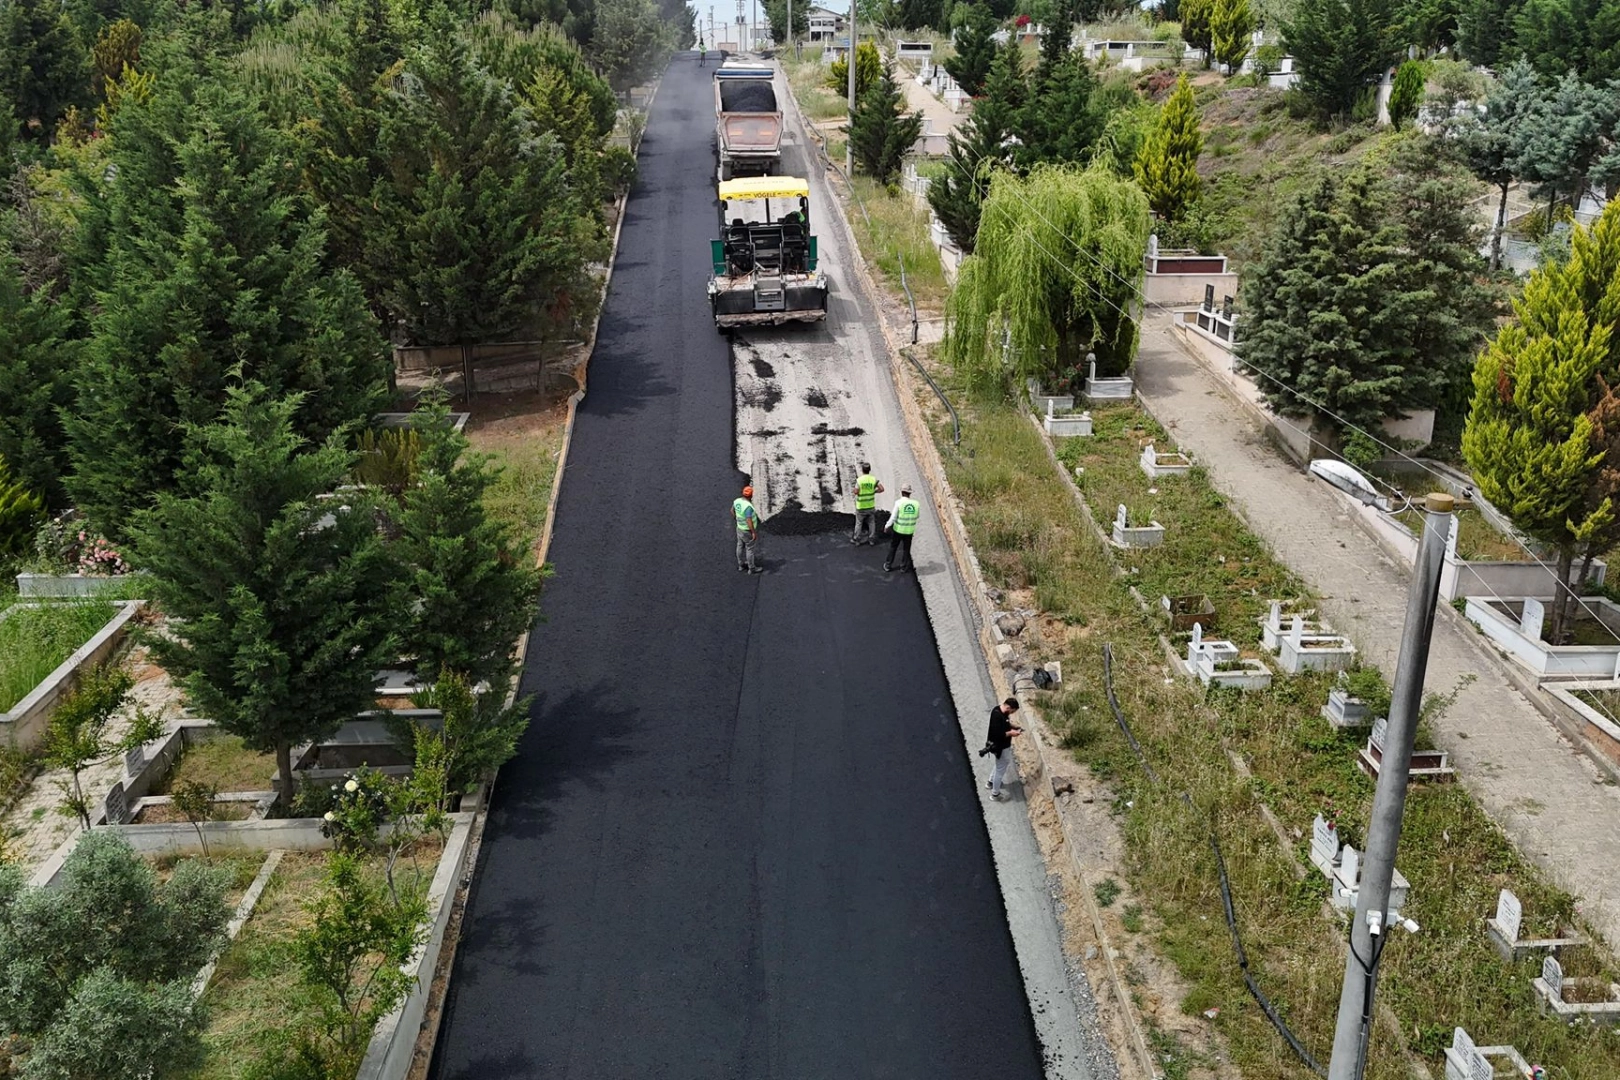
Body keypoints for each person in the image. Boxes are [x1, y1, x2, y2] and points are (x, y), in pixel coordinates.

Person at [980, 698, 1023, 801]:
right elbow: (998, 734)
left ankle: (990, 782)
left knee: (999, 764)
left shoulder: (999, 711)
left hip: (999, 747)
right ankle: (995, 794)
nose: (1011, 713)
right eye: (1012, 711)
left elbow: (1005, 723)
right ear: (1008, 707)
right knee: (1000, 770)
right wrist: (1011, 733)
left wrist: (1013, 727)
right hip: (1001, 747)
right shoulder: (997, 716)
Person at [883, 484, 920, 573]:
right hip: (909, 531)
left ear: (902, 492)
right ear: (910, 493)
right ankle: (903, 567)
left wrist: (887, 526)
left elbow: (893, 517)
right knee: (906, 549)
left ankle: (888, 565)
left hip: (898, 530)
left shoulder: (899, 503)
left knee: (893, 547)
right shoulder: (916, 504)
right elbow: (917, 516)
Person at [850, 462, 884, 545]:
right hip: (870, 505)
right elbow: (882, 489)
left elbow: (856, 491)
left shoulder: (860, 480)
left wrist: (855, 491)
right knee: (871, 522)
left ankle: (856, 539)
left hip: (861, 506)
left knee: (859, 523)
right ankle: (871, 540)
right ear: (869, 470)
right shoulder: (873, 479)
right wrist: (874, 491)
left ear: (862, 470)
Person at [734, 484, 762, 573]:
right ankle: (752, 568)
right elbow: (749, 519)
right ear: (751, 495)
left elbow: (732, 511)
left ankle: (740, 565)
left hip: (739, 528)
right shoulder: (748, 507)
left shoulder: (737, 501)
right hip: (747, 531)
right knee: (749, 549)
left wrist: (737, 519)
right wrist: (753, 532)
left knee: (740, 546)